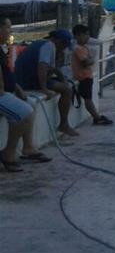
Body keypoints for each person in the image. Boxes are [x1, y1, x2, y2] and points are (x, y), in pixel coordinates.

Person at [1, 18, 52, 171]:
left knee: (30, 104)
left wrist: (17, 89)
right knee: (23, 112)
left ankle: (28, 147)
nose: (10, 31)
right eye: (8, 28)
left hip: (6, 92)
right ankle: (8, 153)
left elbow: (6, 72)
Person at [14, 29, 79, 137]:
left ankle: (64, 124)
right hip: (27, 80)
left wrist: (61, 77)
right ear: (57, 40)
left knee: (65, 85)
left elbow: (51, 68)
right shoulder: (49, 46)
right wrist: (44, 89)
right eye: (63, 44)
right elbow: (42, 67)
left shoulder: (42, 44)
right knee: (67, 90)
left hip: (24, 78)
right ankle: (64, 124)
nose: (63, 48)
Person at [71, 25, 112, 126]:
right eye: (85, 35)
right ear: (78, 35)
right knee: (88, 99)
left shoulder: (84, 47)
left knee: (88, 98)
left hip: (87, 76)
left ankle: (96, 116)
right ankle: (96, 117)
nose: (88, 37)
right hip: (83, 77)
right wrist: (92, 59)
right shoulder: (78, 49)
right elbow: (86, 62)